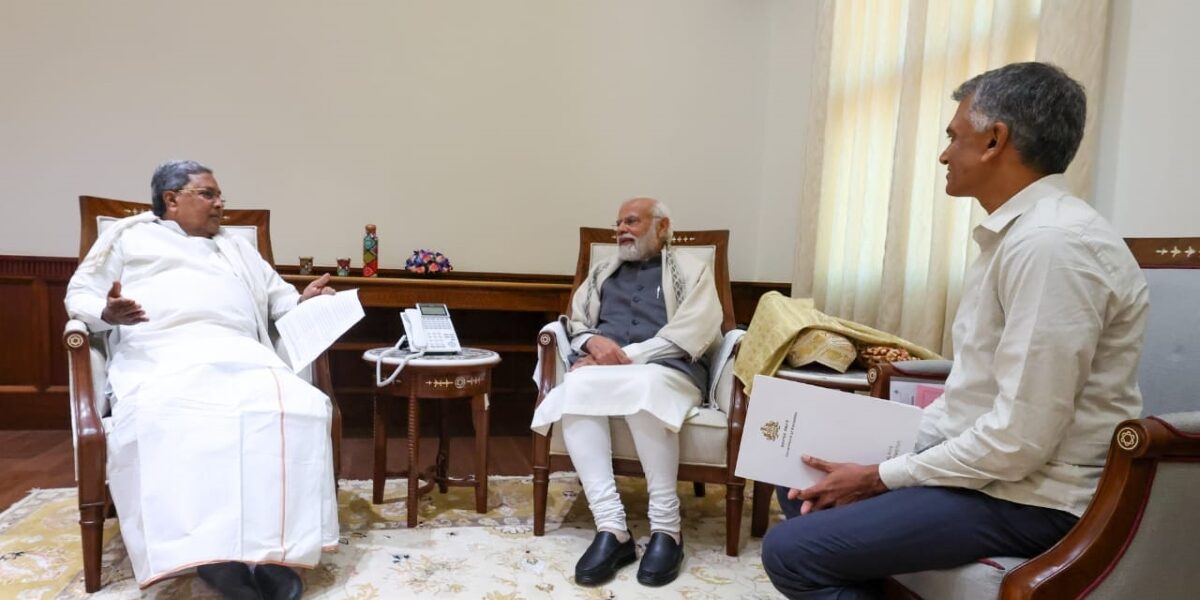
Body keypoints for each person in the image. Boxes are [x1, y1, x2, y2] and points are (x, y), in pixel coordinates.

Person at [761, 62, 1149, 598]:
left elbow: (1020, 441)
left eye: (953, 137)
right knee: (802, 477)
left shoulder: (1052, 246)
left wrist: (880, 475)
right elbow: (973, 397)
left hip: (1034, 498)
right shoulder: (1019, 236)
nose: (944, 155)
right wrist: (882, 448)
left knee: (789, 552)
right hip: (998, 478)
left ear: (994, 140)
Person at [65, 160, 339, 600]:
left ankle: (272, 553)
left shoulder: (237, 247)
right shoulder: (128, 237)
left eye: (219, 196)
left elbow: (282, 302)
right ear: (171, 199)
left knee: (296, 406)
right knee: (179, 411)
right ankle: (213, 556)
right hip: (161, 354)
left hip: (242, 353)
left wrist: (305, 300)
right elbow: (80, 295)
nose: (220, 204)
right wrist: (106, 312)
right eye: (208, 194)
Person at [531, 197, 723, 587]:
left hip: (671, 371)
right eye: (618, 223)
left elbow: (696, 330)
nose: (621, 229)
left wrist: (626, 357)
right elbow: (578, 323)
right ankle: (612, 528)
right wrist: (592, 344)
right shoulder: (603, 272)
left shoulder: (692, 269)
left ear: (662, 226)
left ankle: (667, 529)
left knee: (642, 382)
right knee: (577, 385)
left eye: (631, 221)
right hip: (604, 372)